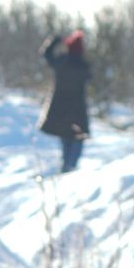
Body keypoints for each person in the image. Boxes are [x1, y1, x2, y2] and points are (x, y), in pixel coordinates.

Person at [40, 29, 92, 173]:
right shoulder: (84, 66)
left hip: (60, 107)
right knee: (77, 138)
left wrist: (55, 40)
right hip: (77, 108)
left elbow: (46, 54)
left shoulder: (61, 62)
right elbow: (90, 78)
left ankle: (66, 167)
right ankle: (70, 167)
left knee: (66, 137)